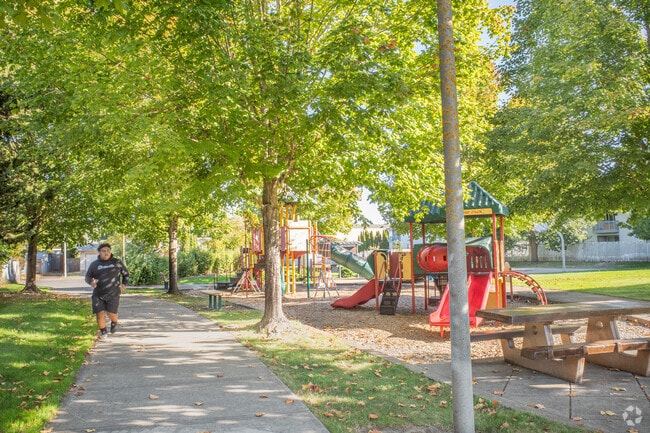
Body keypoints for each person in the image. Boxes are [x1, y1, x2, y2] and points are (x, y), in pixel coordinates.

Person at [84, 243, 129, 340]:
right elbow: (87, 277)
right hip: (98, 294)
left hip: (113, 293)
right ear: (99, 252)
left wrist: (124, 284)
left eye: (108, 250)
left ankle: (114, 322)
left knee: (111, 313)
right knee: (99, 313)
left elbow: (125, 274)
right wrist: (92, 282)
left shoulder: (117, 262)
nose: (106, 253)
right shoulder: (94, 264)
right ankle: (103, 332)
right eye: (103, 251)